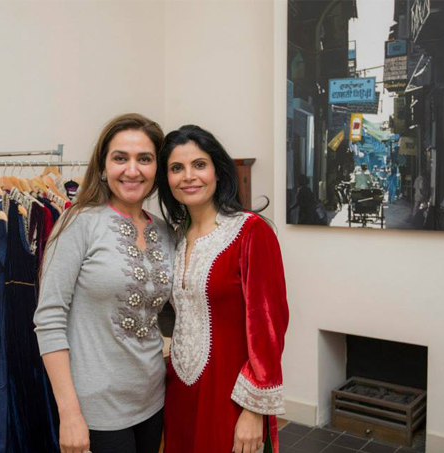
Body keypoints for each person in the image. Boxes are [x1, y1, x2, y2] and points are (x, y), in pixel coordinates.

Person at [34, 113, 175, 453]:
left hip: (153, 397)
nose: (132, 170)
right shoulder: (78, 223)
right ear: (103, 166)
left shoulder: (165, 231)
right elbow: (49, 319)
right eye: (120, 158)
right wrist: (69, 413)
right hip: (96, 406)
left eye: (144, 159)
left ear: (157, 169)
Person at [157, 125, 289, 453]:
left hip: (231, 395)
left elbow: (270, 329)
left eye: (199, 164)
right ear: (166, 178)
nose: (189, 176)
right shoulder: (173, 237)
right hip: (179, 392)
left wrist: (253, 410)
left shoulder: (250, 232)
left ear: (217, 170)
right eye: (177, 168)